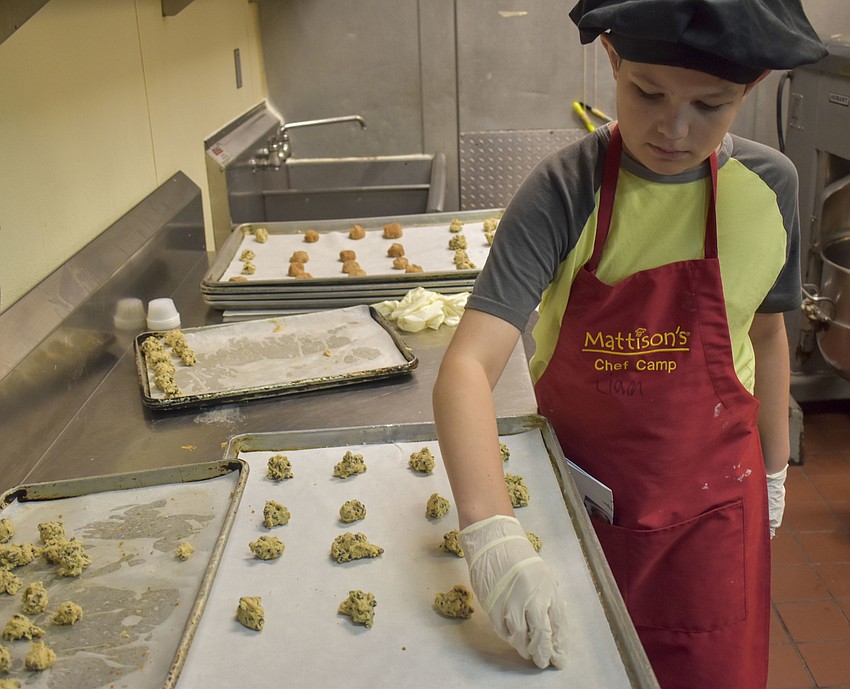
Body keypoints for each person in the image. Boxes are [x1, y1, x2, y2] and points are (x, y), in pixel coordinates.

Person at [432, 1, 827, 687]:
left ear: (752, 87)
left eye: (711, 105)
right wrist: (492, 531)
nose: (674, 129)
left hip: (715, 519)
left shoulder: (768, 189)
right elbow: (467, 365)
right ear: (611, 60)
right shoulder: (565, 190)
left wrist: (773, 469)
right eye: (647, 92)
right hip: (586, 513)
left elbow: (766, 334)